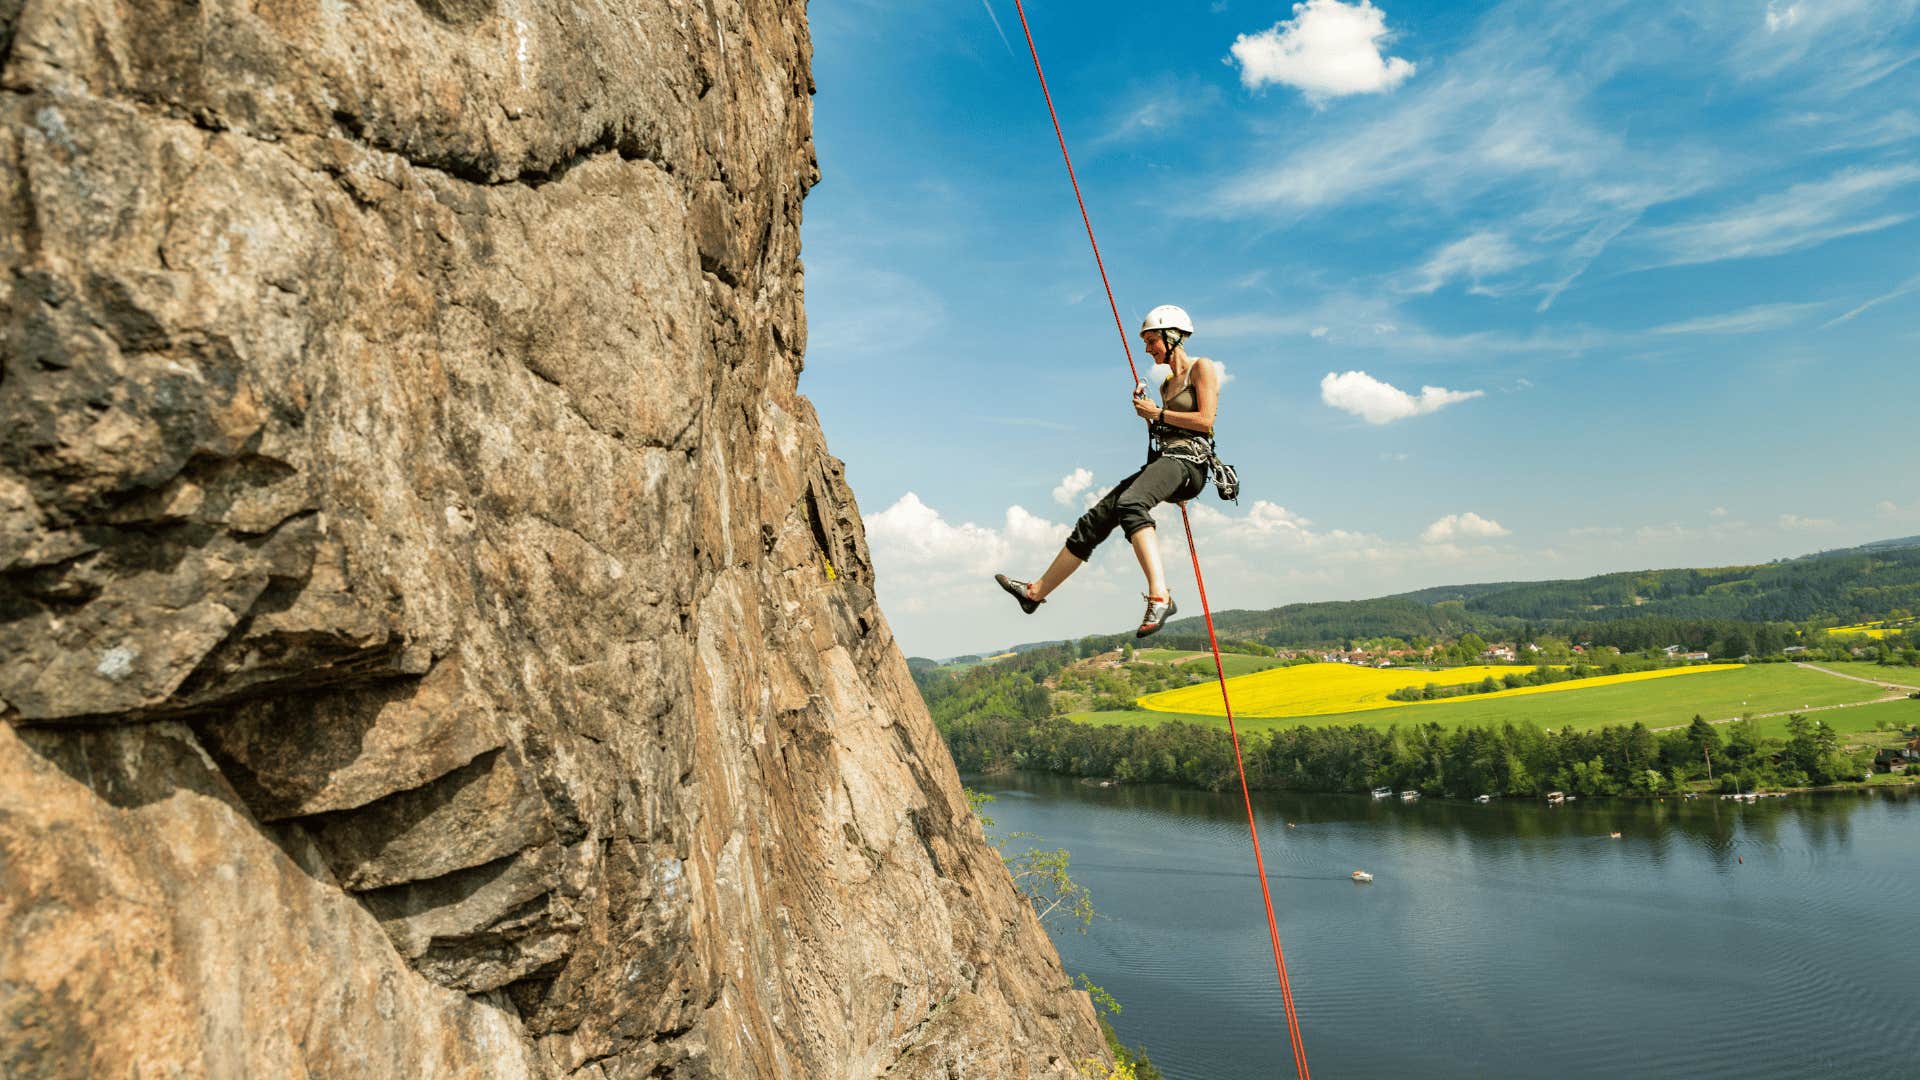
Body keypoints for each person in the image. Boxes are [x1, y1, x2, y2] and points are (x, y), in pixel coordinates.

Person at [995, 304, 1219, 638]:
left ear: (1172, 337)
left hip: (1190, 464)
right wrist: (1153, 416)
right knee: (1096, 518)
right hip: (1168, 464)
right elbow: (1167, 430)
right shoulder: (1165, 385)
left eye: (1151, 340)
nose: (1147, 348)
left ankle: (1161, 597)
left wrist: (1156, 415)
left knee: (1131, 504)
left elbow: (1205, 421)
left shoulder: (1203, 368)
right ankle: (1035, 593)